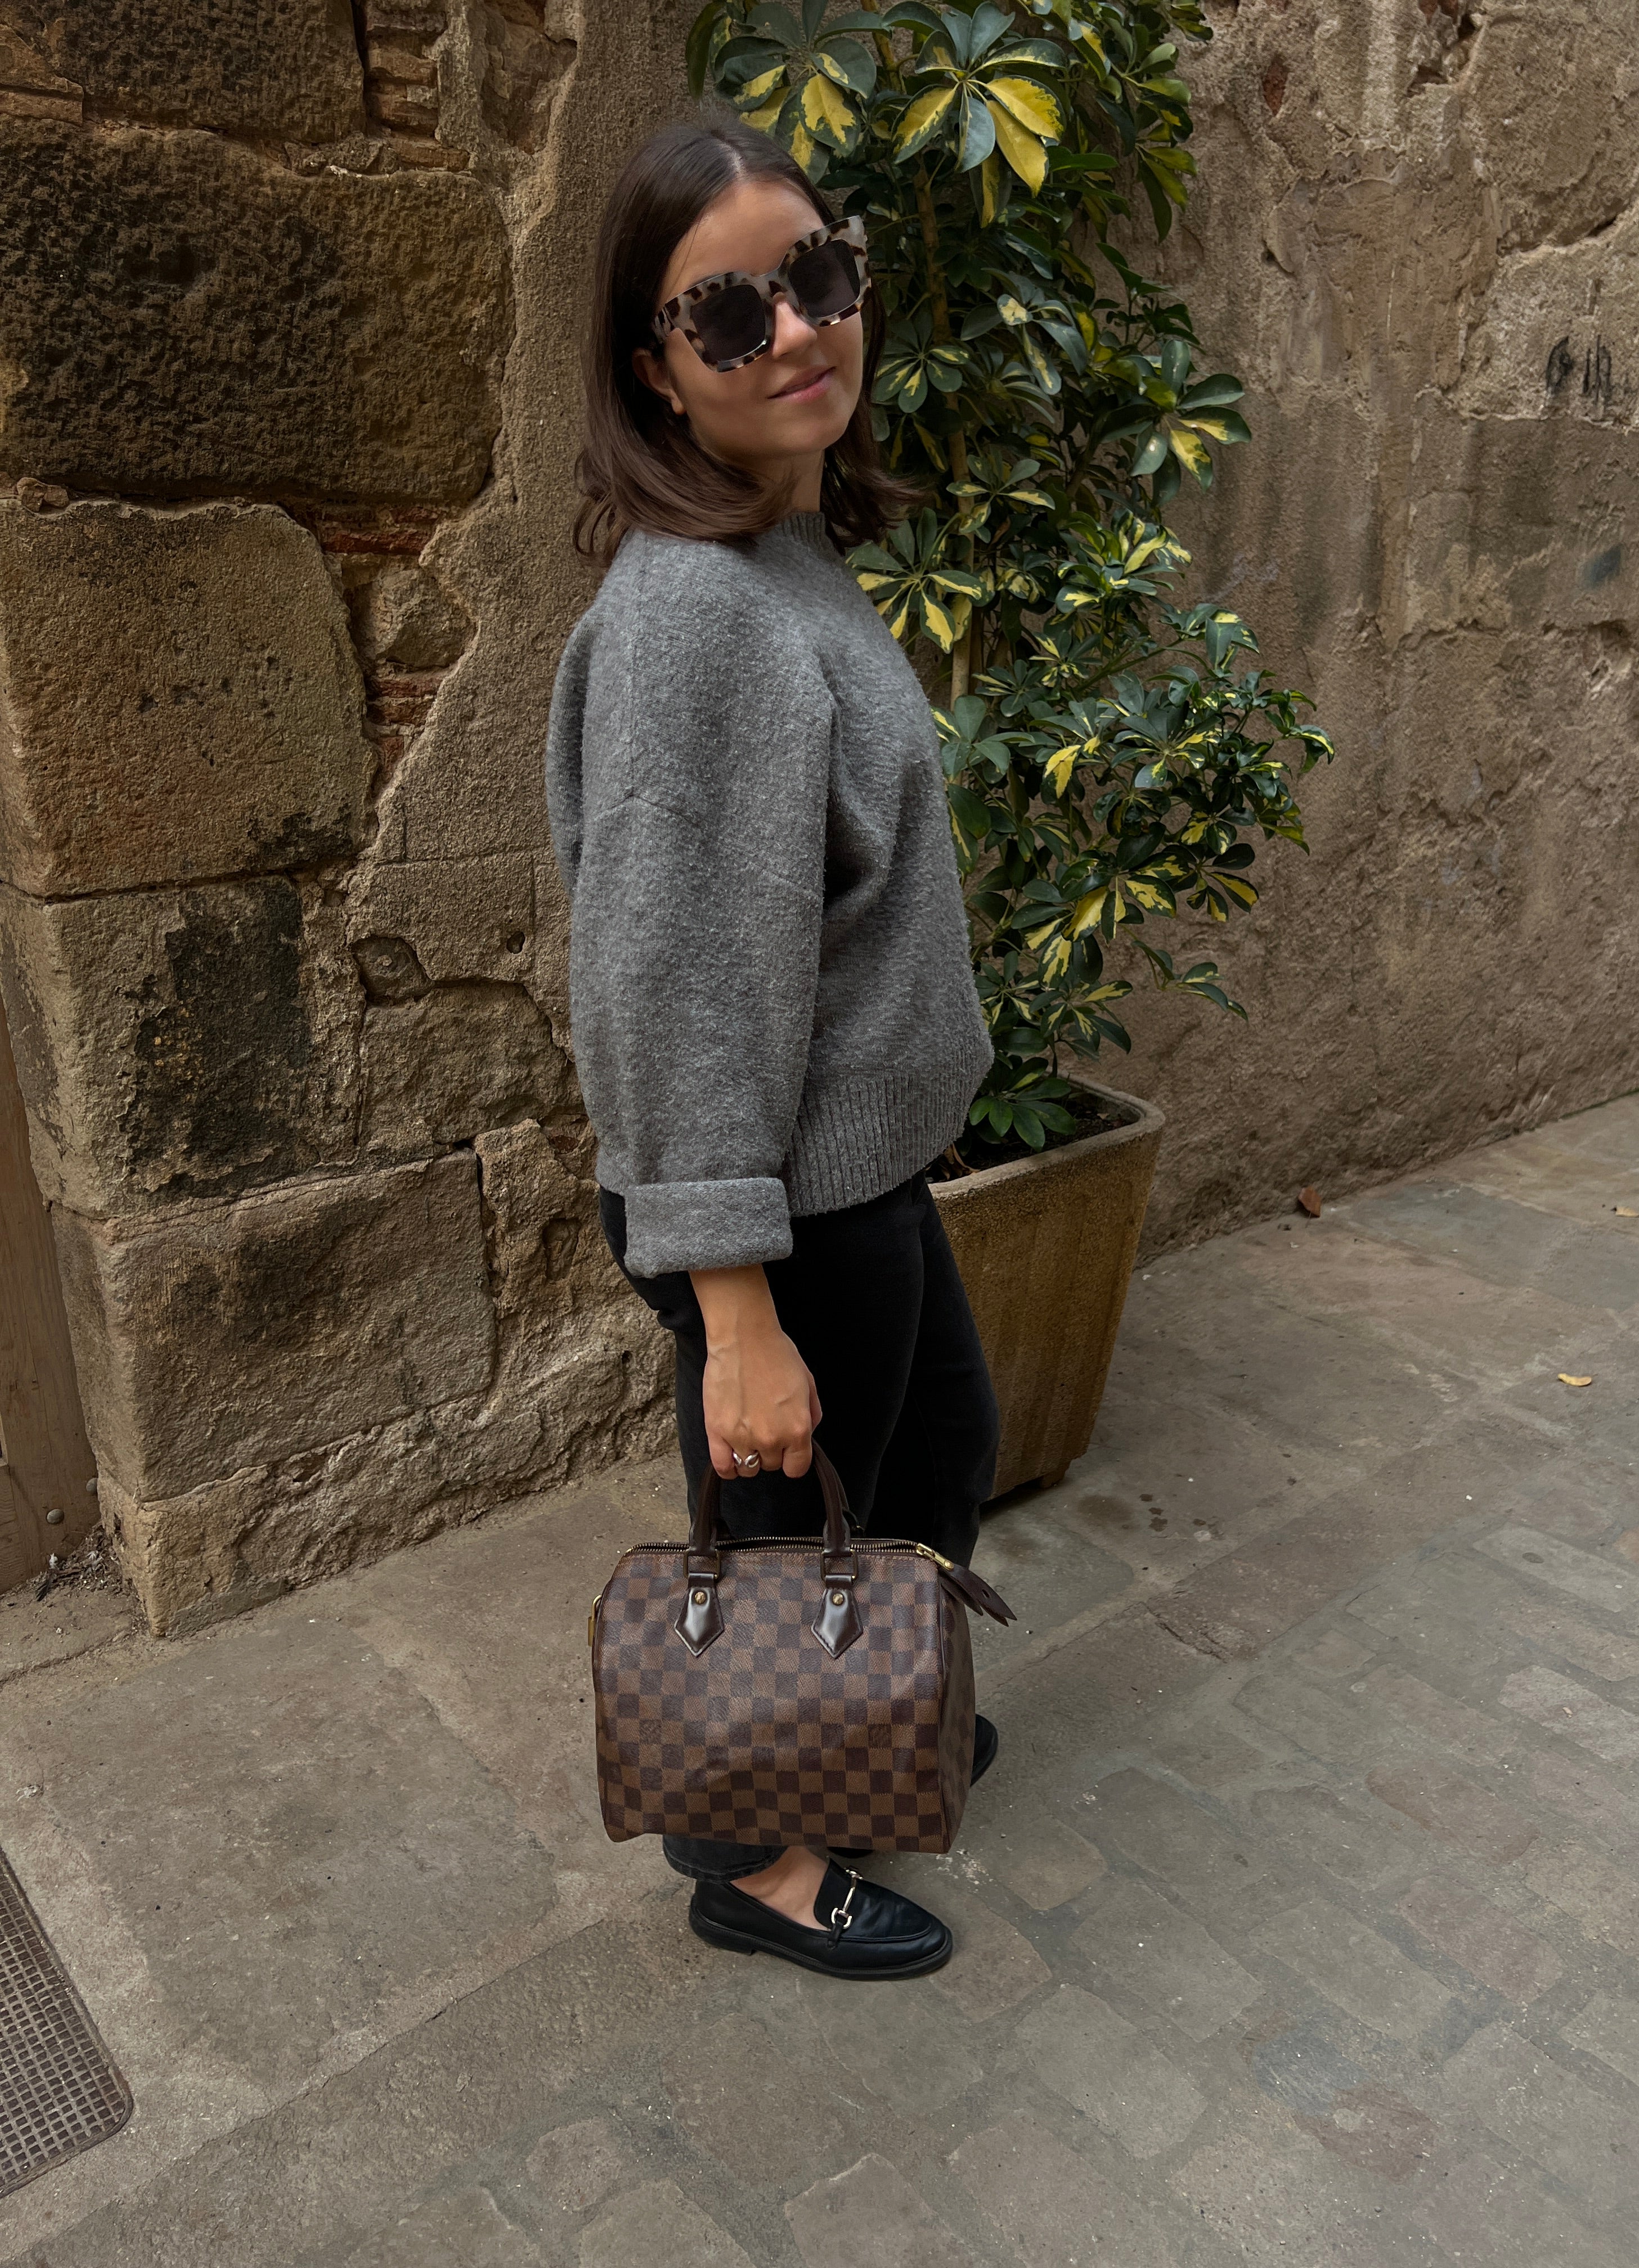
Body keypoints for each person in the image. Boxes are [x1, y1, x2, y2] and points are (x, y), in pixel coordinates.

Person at [543, 114, 1002, 1982]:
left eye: (817, 275)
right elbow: (667, 982)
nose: (798, 329)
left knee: (939, 1453)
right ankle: (760, 1854)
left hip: (847, 1166)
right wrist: (736, 1312)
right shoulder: (699, 619)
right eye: (729, 311)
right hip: (779, 1203)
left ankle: (876, 1718)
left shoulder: (782, 550)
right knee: (777, 1530)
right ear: (656, 368)